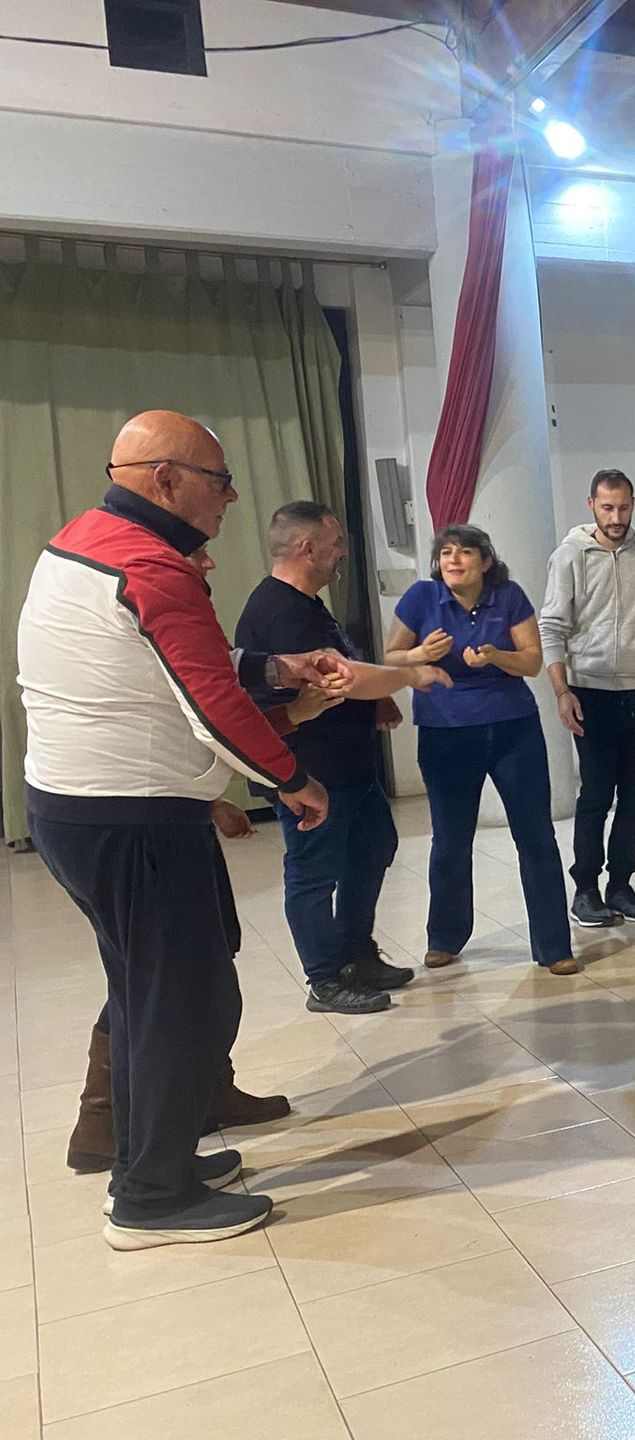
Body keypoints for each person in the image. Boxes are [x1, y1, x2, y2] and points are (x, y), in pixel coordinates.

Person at [19, 410, 340, 1249]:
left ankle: (149, 1164)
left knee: (147, 997)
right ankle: (151, 1200)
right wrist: (292, 780)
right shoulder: (150, 564)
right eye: (219, 481)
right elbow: (210, 702)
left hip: (83, 809)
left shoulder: (83, 541)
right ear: (165, 480)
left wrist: (274, 666)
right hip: (132, 818)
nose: (230, 496)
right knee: (177, 1001)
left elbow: (170, 660)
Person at [63, 543, 340, 1176]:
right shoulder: (148, 608)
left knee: (206, 956)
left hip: (172, 806)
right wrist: (291, 730)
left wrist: (212, 802)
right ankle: (103, 1123)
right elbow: (197, 717)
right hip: (140, 816)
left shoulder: (151, 619)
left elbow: (181, 714)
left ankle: (209, 1090)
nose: (210, 563)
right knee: (158, 975)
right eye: (200, 552)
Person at [236, 500, 452, 1014]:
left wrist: (375, 700)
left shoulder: (308, 604)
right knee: (314, 872)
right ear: (307, 548)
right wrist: (409, 675)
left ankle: (356, 953)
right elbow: (341, 676)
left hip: (349, 764)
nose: (340, 554)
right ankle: (325, 979)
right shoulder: (279, 609)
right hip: (310, 770)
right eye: (334, 545)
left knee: (374, 845)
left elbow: (345, 669)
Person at [387, 525, 577, 975]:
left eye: (465, 552)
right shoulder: (421, 597)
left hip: (513, 730)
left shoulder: (508, 596)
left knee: (535, 836)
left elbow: (531, 660)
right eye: (446, 553)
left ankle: (553, 946)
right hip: (446, 733)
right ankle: (444, 937)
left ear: (485, 561)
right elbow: (390, 656)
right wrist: (419, 654)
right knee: (450, 839)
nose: (453, 560)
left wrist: (495, 656)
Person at [539, 468, 635, 928]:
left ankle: (622, 884)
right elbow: (552, 627)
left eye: (624, 507)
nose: (616, 517)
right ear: (591, 504)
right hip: (590, 691)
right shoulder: (569, 556)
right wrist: (562, 691)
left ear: (633, 504)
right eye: (607, 507)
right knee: (595, 794)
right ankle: (586, 889)